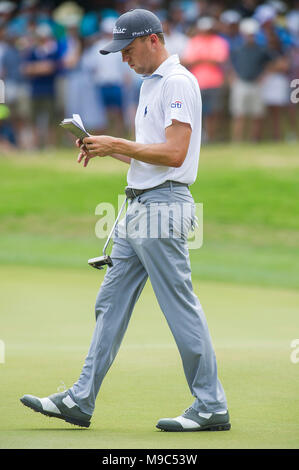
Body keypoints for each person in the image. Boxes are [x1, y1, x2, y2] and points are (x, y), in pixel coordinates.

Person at [20, 9, 230, 433]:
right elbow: (149, 153)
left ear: (153, 39)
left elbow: (174, 154)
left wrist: (117, 141)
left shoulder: (176, 82)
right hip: (138, 208)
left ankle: (211, 405)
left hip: (164, 207)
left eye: (128, 49)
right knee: (110, 303)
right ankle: (80, 398)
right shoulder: (151, 85)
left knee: (178, 305)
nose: (123, 59)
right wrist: (104, 147)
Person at [181, 16, 229, 142]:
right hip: (196, 82)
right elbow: (187, 61)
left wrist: (200, 59)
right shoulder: (194, 41)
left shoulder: (218, 41)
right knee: (197, 113)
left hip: (214, 82)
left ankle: (212, 137)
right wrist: (206, 59)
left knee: (214, 112)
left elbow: (219, 60)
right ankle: (199, 138)